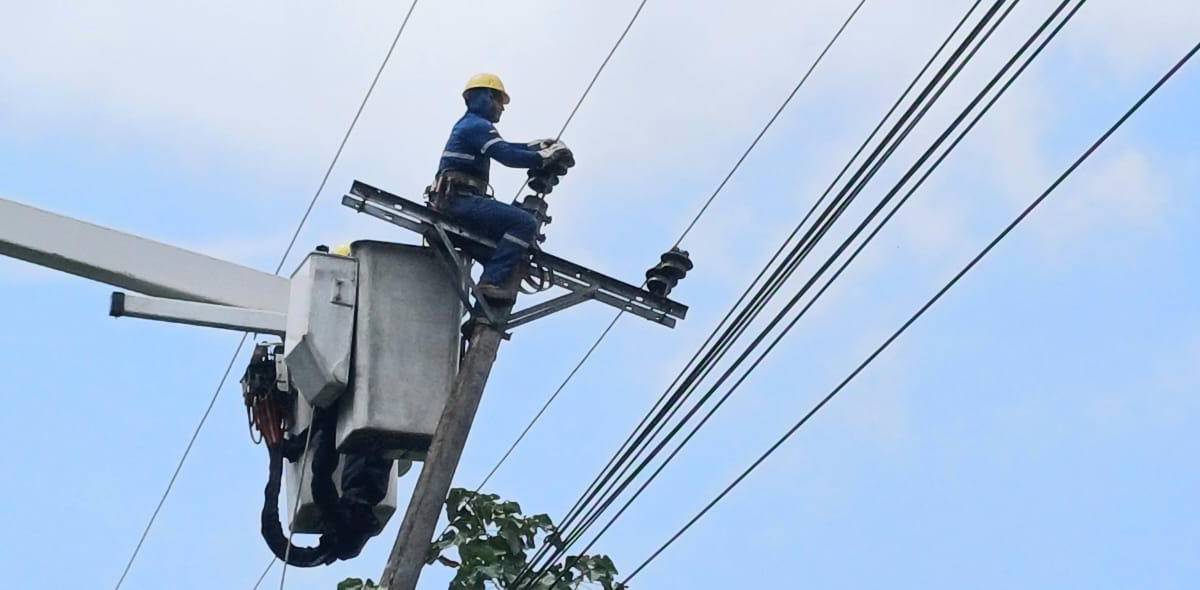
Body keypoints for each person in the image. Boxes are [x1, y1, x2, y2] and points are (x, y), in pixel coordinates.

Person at [431, 73, 570, 303]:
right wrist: (544, 157)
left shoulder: (472, 126)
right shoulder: (476, 125)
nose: (501, 109)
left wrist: (535, 146)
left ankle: (493, 286)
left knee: (504, 247)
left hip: (456, 200)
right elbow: (507, 155)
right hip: (459, 202)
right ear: (485, 97)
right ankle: (491, 283)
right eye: (498, 101)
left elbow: (505, 147)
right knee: (524, 223)